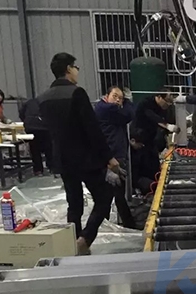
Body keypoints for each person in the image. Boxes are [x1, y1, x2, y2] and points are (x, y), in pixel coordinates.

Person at [38, 52, 120, 255]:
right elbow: (92, 129)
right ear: (68, 69)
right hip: (86, 158)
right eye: (76, 67)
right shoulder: (76, 93)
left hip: (62, 159)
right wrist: (108, 157)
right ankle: (85, 239)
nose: (77, 71)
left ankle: (71, 244)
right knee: (104, 197)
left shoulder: (44, 98)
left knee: (74, 204)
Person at [95, 86, 137, 229]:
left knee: (114, 194)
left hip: (114, 155)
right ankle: (104, 224)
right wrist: (128, 102)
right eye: (115, 96)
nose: (118, 100)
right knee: (112, 194)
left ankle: (107, 224)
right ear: (106, 95)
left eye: (121, 98)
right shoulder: (106, 109)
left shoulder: (105, 108)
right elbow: (130, 114)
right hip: (112, 157)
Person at [19, 96, 52, 176]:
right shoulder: (45, 103)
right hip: (43, 127)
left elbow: (21, 114)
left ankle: (38, 170)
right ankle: (52, 168)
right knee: (48, 148)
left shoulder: (28, 103)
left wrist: (26, 122)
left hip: (31, 127)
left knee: (34, 149)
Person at [129, 128, 161, 196]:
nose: (142, 146)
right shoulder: (129, 154)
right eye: (140, 144)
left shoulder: (140, 149)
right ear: (132, 141)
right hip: (138, 179)